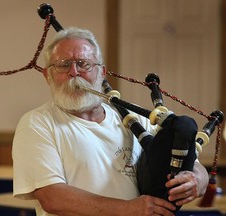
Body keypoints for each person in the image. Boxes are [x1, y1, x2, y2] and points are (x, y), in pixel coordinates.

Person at [12, 27, 209, 216]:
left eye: (83, 63)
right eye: (63, 64)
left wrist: (195, 181)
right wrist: (129, 210)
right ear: (48, 75)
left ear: (102, 72)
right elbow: (52, 197)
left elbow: (196, 166)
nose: (74, 72)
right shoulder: (37, 123)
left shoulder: (135, 118)